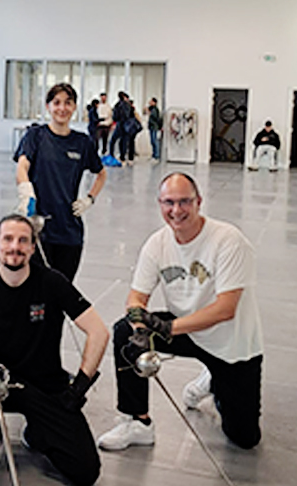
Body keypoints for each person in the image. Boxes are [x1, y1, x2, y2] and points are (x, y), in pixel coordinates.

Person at [97, 173, 263, 452]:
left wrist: (167, 329)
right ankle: (137, 421)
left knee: (244, 438)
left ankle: (214, 380)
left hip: (231, 343)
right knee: (125, 330)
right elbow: (137, 296)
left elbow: (226, 309)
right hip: (187, 332)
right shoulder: (157, 244)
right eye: (168, 202)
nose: (176, 211)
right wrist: (140, 329)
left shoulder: (228, 241)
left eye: (184, 202)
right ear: (160, 204)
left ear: (199, 202)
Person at [0, 214, 109, 486]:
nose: (15, 247)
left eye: (23, 240)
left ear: (33, 247)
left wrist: (78, 387)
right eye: (8, 239)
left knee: (85, 472)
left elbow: (99, 331)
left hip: (47, 387)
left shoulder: (53, 283)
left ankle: (39, 432)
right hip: (2, 383)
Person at [14, 83, 106, 282]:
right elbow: (22, 166)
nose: (62, 108)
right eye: (56, 103)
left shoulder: (82, 143)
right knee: (35, 291)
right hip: (39, 230)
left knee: (62, 290)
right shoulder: (35, 136)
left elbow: (101, 173)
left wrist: (90, 199)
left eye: (68, 103)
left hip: (69, 230)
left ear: (74, 107)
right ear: (48, 106)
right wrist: (26, 191)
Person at [108, 91, 133, 163]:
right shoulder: (128, 105)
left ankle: (111, 154)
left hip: (120, 124)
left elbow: (115, 116)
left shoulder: (118, 105)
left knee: (113, 140)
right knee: (124, 141)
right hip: (127, 125)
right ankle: (123, 157)